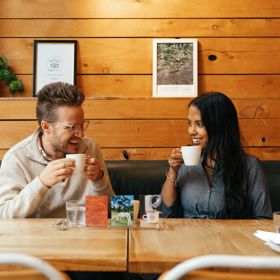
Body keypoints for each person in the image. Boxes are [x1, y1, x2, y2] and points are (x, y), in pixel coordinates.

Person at [0, 82, 114, 218]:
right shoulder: (17, 158)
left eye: (82, 125)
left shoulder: (91, 148)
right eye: (71, 127)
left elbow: (109, 212)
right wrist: (41, 183)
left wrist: (99, 180)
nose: (81, 134)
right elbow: (4, 216)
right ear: (46, 127)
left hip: (83, 236)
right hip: (38, 238)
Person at [161, 92, 272, 219]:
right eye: (189, 123)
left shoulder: (251, 167)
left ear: (219, 126)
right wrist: (173, 171)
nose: (191, 131)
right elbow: (167, 211)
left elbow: (263, 219)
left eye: (199, 124)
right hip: (189, 237)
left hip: (231, 238)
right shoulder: (186, 161)